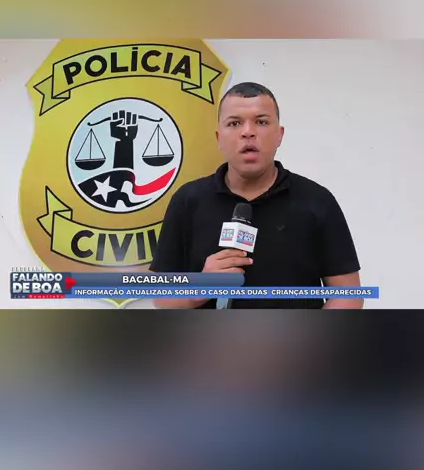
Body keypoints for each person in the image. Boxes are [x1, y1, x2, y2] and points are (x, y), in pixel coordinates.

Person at [151, 82, 362, 309]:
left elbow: (348, 296)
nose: (248, 132)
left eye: (261, 122)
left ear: (279, 135)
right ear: (219, 137)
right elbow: (160, 297)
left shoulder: (317, 201)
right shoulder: (187, 200)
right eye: (234, 123)